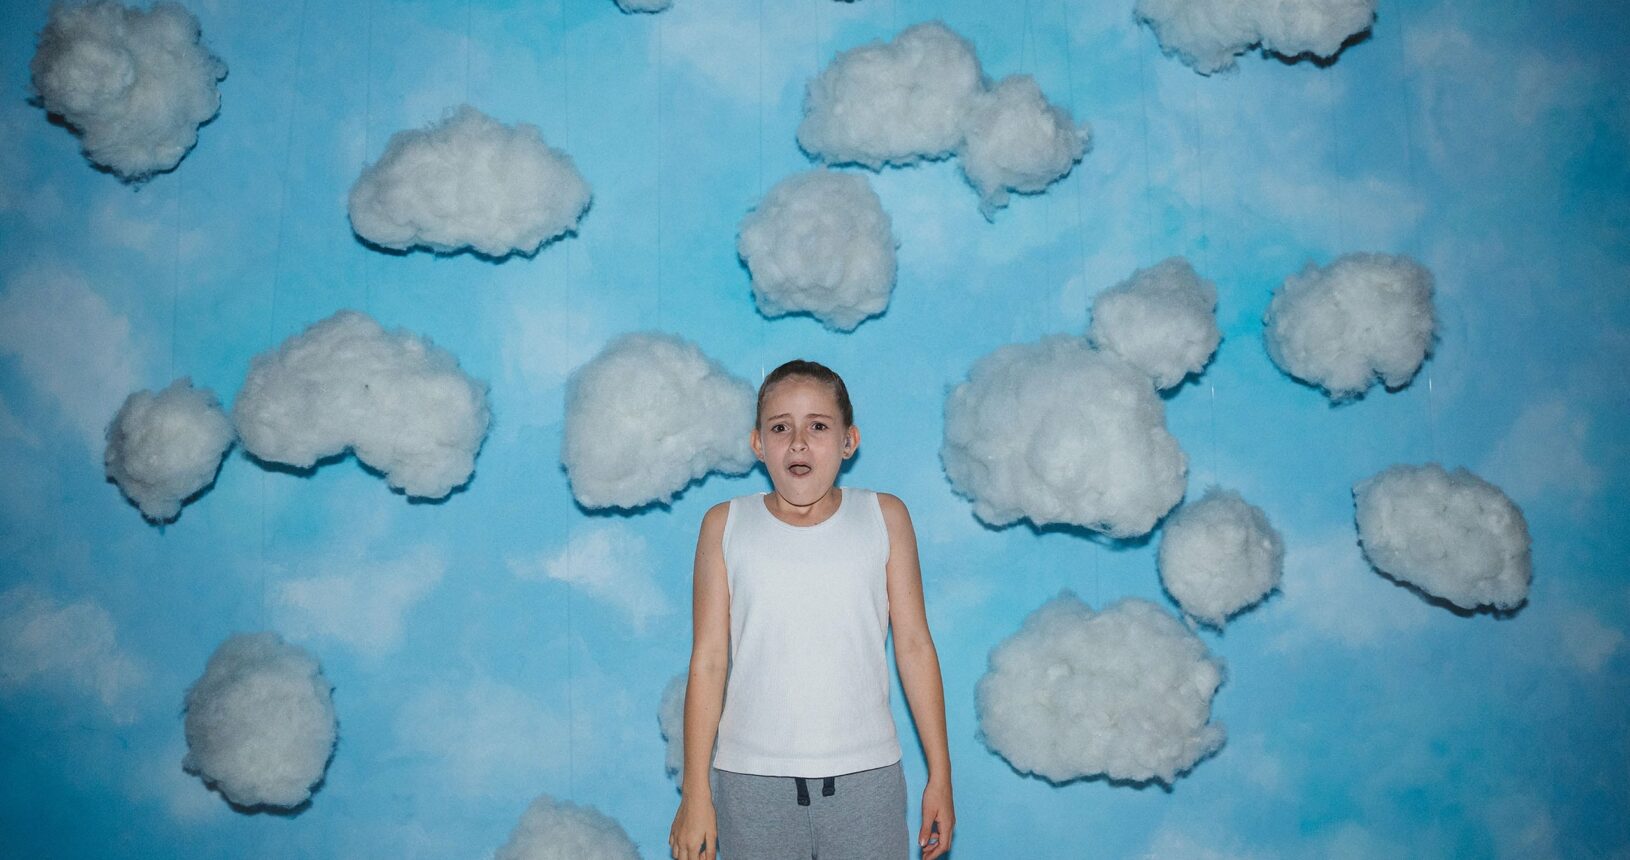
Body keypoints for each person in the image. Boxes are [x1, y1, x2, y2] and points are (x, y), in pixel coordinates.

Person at [669, 360, 955, 860]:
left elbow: (914, 646)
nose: (798, 442)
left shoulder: (884, 517)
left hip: (868, 781)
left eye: (818, 426)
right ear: (758, 443)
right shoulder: (725, 525)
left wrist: (941, 775)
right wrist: (696, 794)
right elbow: (709, 661)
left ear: (849, 440)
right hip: (749, 783)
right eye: (781, 428)